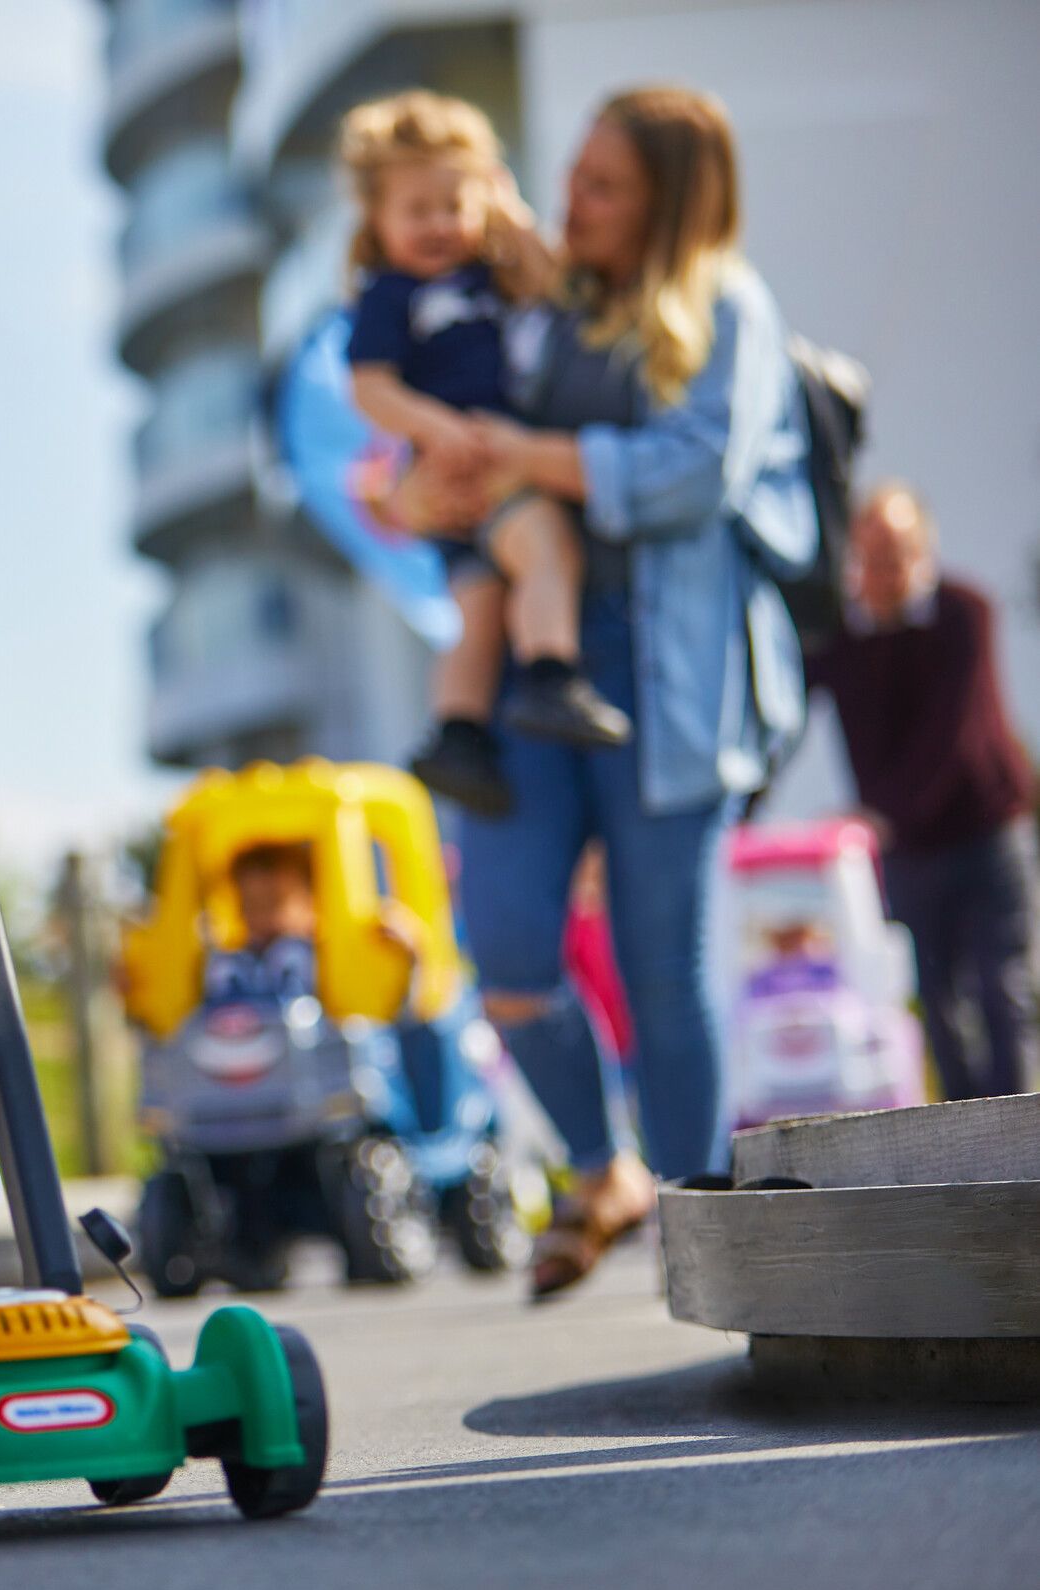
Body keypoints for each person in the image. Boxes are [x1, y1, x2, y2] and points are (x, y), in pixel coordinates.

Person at [378, 86, 817, 1298]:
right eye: (573, 176)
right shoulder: (535, 301)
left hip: (673, 672)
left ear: (672, 203)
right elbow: (436, 459)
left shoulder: (730, 308)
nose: (573, 201)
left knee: (660, 966)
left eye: (605, 186)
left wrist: (514, 458)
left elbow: (691, 472)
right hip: (533, 662)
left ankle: (699, 1242)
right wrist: (430, 485)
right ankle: (592, 1164)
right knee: (506, 947)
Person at [340, 92, 630, 822]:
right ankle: (550, 672)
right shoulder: (388, 294)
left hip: (464, 467)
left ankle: (459, 731)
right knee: (546, 549)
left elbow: (554, 282)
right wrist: (436, 430)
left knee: (478, 605)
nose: (439, 224)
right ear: (374, 218)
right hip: (471, 460)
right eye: (416, 209)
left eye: (453, 204)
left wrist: (507, 210)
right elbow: (368, 386)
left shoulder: (489, 279)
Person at [807, 483, 1036, 1100]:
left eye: (898, 554)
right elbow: (784, 714)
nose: (885, 573)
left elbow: (949, 733)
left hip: (986, 835)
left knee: (1002, 989)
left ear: (925, 551)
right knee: (935, 1000)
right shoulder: (840, 640)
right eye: (872, 557)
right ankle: (964, 1149)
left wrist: (881, 815)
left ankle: (1020, 1140)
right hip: (909, 855)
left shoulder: (966, 612)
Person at [204, 843, 321, 1006]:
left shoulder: (316, 960)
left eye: (275, 903)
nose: (264, 917)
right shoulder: (235, 966)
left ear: (311, 903)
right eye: (251, 905)